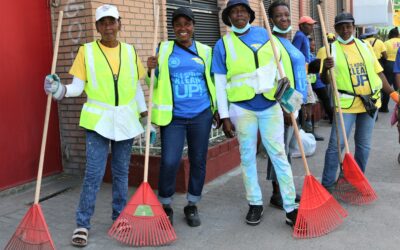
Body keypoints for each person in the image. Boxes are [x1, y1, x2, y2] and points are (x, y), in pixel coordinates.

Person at [44, 4, 154, 247]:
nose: (108, 26)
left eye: (112, 21)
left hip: (125, 120)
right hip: (98, 121)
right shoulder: (87, 51)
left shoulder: (130, 51)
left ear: (119, 23)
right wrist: (59, 90)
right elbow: (76, 87)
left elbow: (136, 86)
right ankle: (82, 224)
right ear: (97, 27)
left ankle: (120, 218)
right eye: (103, 22)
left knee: (121, 173)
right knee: (93, 174)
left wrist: (145, 116)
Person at [212, 0, 298, 227]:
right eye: (234, 12)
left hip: (270, 107)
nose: (239, 15)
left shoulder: (267, 35)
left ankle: (290, 207)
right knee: (247, 157)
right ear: (228, 17)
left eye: (243, 11)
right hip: (242, 109)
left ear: (250, 14)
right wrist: (224, 115)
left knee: (279, 155)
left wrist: (291, 106)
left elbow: (284, 72)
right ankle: (255, 203)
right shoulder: (223, 44)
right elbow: (220, 83)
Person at [146, 7, 218, 227]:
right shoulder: (164, 49)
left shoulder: (206, 51)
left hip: (201, 114)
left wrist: (216, 110)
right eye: (178, 25)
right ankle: (165, 204)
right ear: (173, 28)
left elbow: (214, 80)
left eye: (187, 24)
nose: (183, 28)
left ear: (193, 26)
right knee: (169, 161)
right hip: (174, 117)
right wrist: (151, 70)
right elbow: (154, 83)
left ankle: (192, 204)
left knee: (198, 160)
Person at [320, 12, 399, 192]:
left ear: (354, 27)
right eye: (341, 27)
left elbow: (379, 73)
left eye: (348, 26)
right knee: (336, 145)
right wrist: (326, 69)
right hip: (346, 105)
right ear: (336, 29)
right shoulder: (330, 49)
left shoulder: (364, 46)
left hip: (370, 103)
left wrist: (394, 95)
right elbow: (325, 81)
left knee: (363, 146)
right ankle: (326, 185)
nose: (345, 30)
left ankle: (355, 180)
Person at [265, 0, 307, 210]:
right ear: (271, 20)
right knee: (279, 150)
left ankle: (286, 187)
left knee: (287, 149)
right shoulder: (271, 43)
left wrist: (303, 104)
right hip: (282, 105)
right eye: (279, 16)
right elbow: (273, 78)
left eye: (287, 15)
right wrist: (282, 108)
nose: (284, 19)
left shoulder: (288, 42)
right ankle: (277, 192)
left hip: (295, 102)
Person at [382, 27, 400, 112]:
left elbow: (383, 55)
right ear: (397, 34)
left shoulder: (386, 43)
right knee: (398, 87)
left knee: (387, 86)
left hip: (389, 64)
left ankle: (384, 107)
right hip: (398, 64)